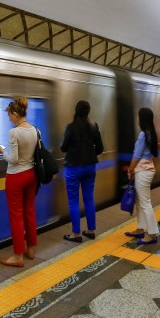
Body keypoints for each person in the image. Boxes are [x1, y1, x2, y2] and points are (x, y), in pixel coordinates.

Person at [0, 97, 38, 267]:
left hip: (16, 177)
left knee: (16, 216)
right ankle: (30, 249)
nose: (9, 119)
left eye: (9, 116)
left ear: (15, 114)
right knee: (29, 211)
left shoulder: (14, 132)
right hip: (31, 175)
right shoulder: (35, 130)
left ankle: (18, 256)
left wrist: (1, 151)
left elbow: (13, 159)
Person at [60, 100, 104, 243]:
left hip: (73, 167)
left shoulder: (70, 127)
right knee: (89, 198)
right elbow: (100, 148)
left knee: (73, 201)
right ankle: (90, 231)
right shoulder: (94, 127)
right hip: (90, 167)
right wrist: (90, 153)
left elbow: (63, 147)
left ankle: (76, 234)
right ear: (88, 112)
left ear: (76, 111)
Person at [124, 108, 159, 245]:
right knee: (140, 201)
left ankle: (152, 233)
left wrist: (130, 169)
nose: (137, 118)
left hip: (142, 171)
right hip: (146, 169)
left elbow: (137, 156)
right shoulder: (150, 133)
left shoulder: (143, 134)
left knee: (145, 203)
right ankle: (140, 228)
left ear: (142, 118)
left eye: (138, 116)